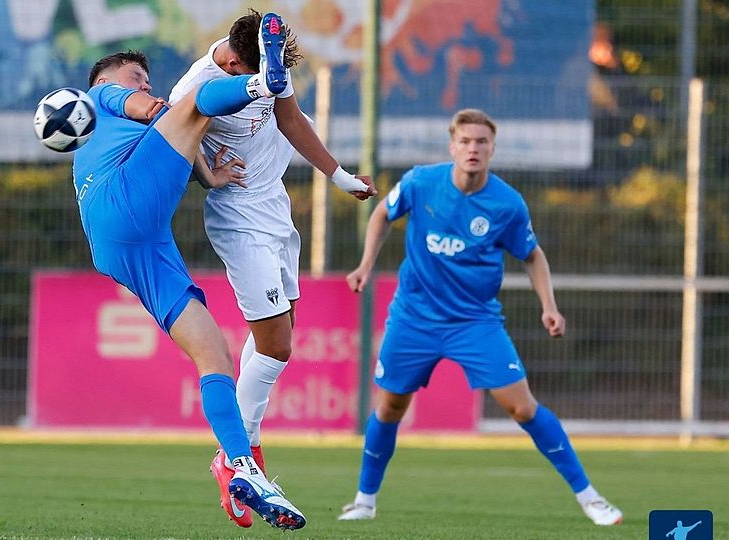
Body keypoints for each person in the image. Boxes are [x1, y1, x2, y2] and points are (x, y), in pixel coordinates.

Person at [71, 12, 306, 531]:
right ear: (106, 80)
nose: (145, 85)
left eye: (146, 79)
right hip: (124, 201)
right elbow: (159, 108)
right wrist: (156, 101)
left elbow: (175, 131)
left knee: (215, 357)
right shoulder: (100, 97)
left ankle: (239, 467)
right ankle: (261, 79)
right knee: (196, 101)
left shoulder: (116, 126)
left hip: (128, 242)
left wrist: (208, 173)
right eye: (138, 76)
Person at [336, 109, 624, 527]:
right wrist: (366, 265)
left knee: (523, 408)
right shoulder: (421, 182)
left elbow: (532, 255)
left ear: (492, 149)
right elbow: (382, 213)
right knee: (390, 407)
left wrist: (549, 306)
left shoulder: (506, 204)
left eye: (482, 142)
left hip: (475, 322)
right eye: (466, 141)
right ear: (452, 147)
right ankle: (364, 501)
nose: (474, 148)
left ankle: (591, 498)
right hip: (415, 317)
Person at [167, 9, 377, 528]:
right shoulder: (199, 85)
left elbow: (290, 117)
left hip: (276, 209)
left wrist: (338, 175)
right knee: (277, 344)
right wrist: (207, 176)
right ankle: (239, 460)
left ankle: (242, 455)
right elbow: (169, 139)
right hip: (238, 216)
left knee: (280, 342)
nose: (266, 84)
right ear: (236, 62)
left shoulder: (263, 58)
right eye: (257, 76)